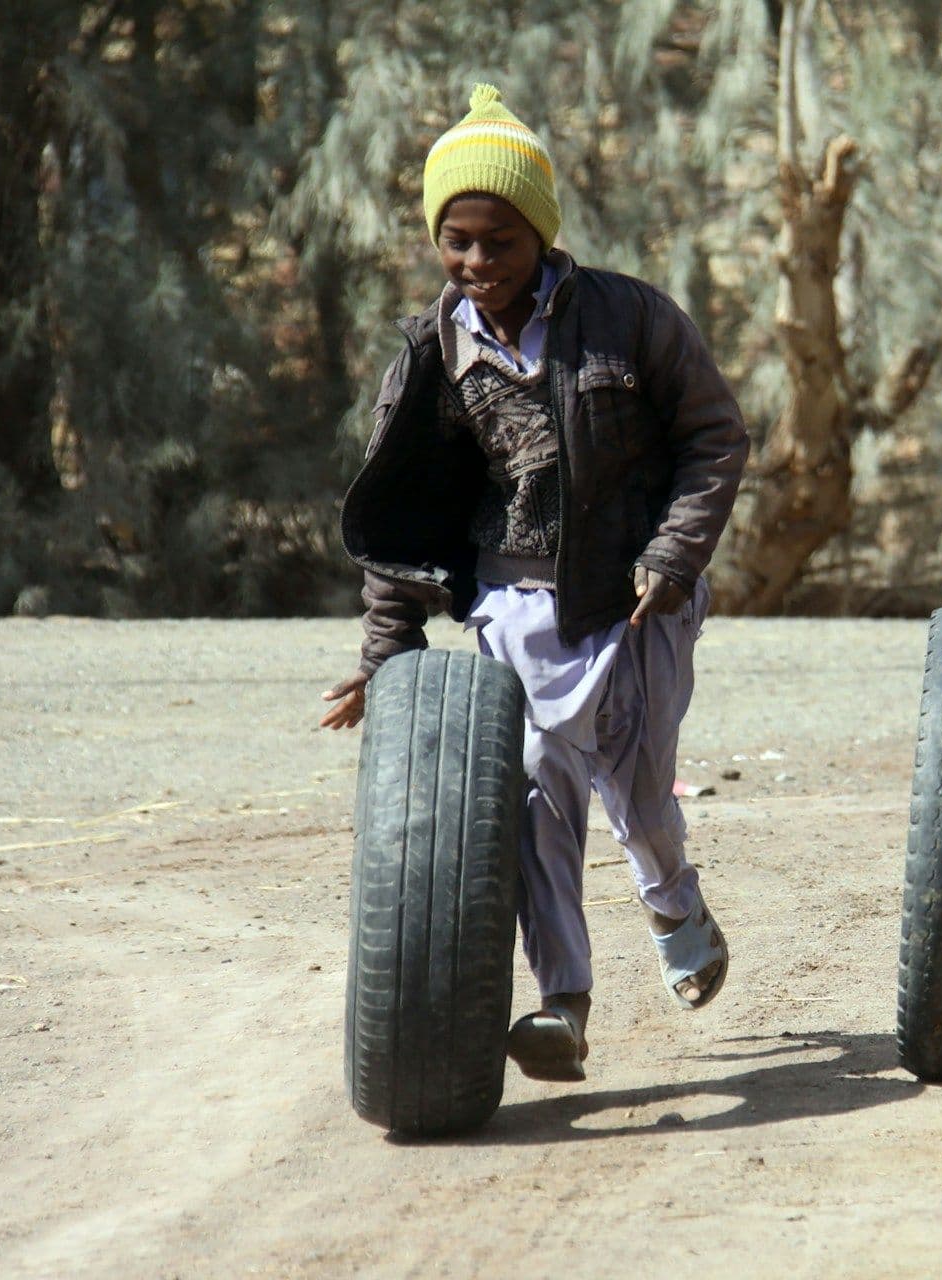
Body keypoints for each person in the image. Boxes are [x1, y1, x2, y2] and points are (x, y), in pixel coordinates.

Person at [318, 84, 749, 1082]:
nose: (478, 262)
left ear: (541, 232)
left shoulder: (628, 318)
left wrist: (674, 556)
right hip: (513, 608)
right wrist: (385, 658)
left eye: (499, 239)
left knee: (639, 795)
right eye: (457, 240)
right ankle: (564, 1002)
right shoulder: (433, 354)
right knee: (533, 801)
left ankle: (675, 902)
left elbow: (713, 435)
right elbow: (404, 513)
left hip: (638, 600)